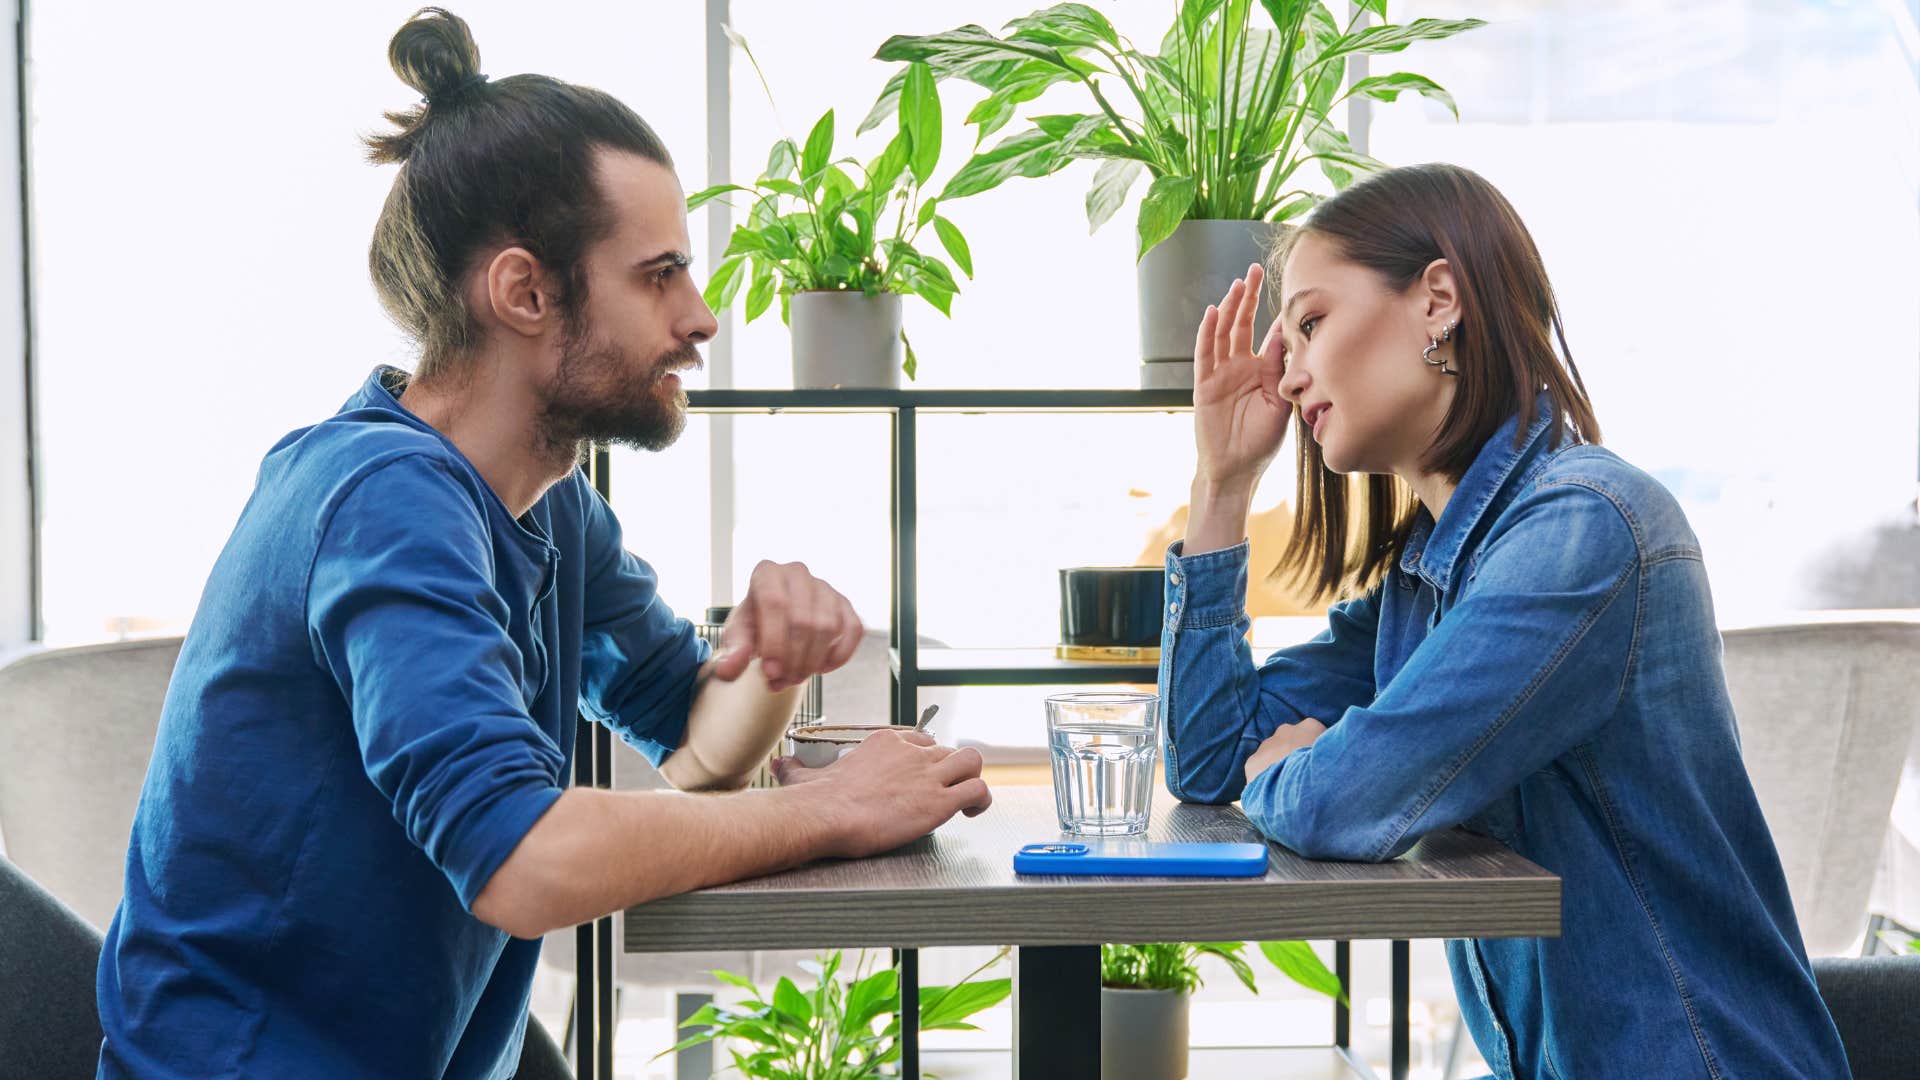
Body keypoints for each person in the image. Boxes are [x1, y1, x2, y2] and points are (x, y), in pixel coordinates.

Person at [95, 9, 990, 1078]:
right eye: (659, 275)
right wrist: (832, 811)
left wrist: (763, 665)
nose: (701, 318)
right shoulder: (384, 500)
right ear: (524, 291)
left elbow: (695, 751)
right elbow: (522, 859)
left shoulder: (548, 504)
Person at [1160, 162, 1849, 1077]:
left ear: (1438, 298)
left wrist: (1294, 768)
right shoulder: (1427, 580)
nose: (1287, 378)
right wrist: (1222, 486)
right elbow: (1209, 761)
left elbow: (1340, 801)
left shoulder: (1585, 531)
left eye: (1312, 322)